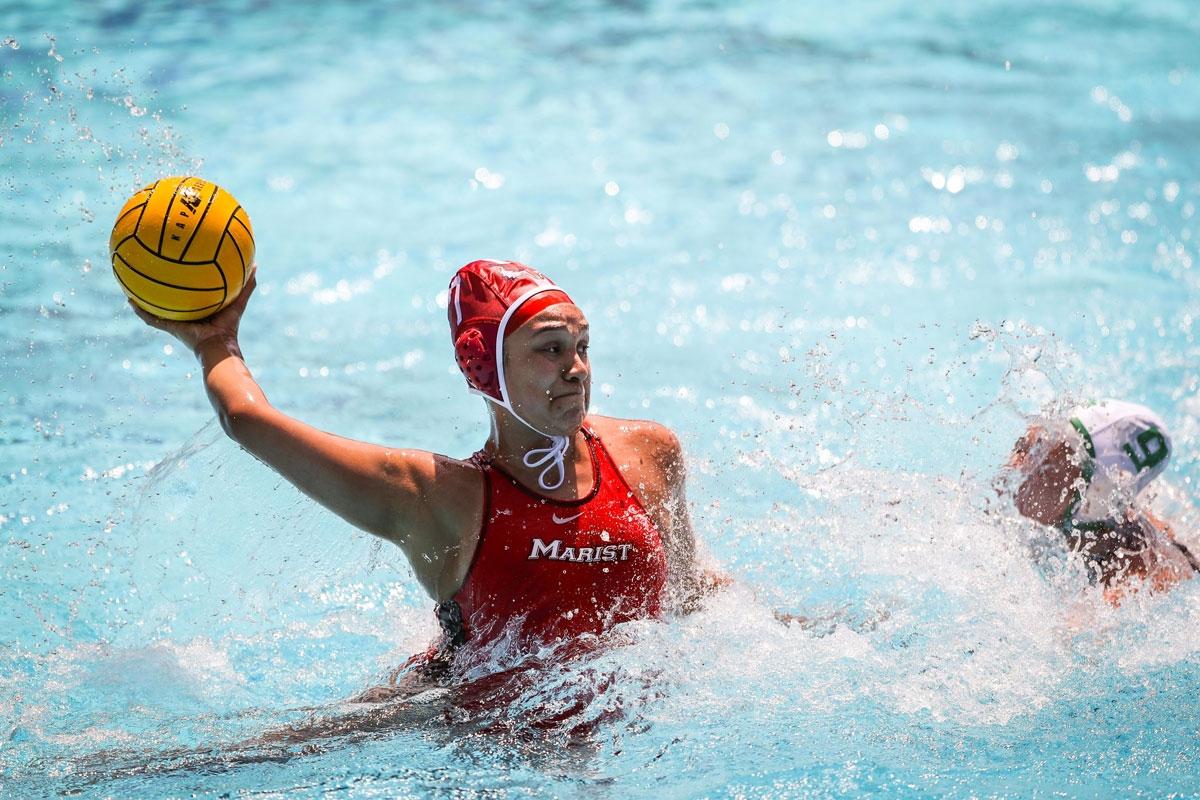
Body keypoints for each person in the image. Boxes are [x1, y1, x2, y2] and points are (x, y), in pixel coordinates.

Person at [132, 258, 723, 699]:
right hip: (481, 739)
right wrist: (215, 341)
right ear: (483, 367)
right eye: (549, 350)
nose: (576, 369)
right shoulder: (441, 499)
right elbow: (249, 420)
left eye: (582, 346)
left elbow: (692, 595)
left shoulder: (648, 454)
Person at [1002, 398, 1198, 603]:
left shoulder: (1130, 570)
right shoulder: (1012, 503)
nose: (1017, 467)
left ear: (1091, 497)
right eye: (1024, 446)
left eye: (1045, 468)